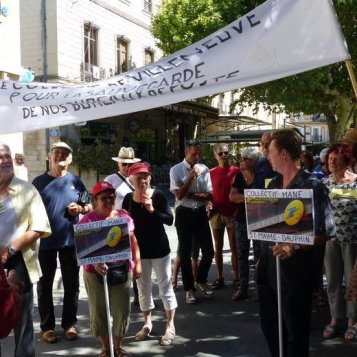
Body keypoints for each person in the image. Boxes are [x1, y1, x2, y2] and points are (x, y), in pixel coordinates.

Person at [256, 129, 335, 357]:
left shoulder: (313, 185)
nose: (266, 155)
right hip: (268, 272)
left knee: (295, 333)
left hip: (296, 275)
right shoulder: (273, 186)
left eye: (269, 150)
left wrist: (294, 246)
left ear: (283, 154)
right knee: (270, 328)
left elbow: (326, 231)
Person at [32, 141, 91, 343]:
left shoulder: (76, 181)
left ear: (70, 159)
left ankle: (69, 325)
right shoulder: (38, 182)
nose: (60, 156)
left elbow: (88, 204)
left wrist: (81, 209)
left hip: (70, 240)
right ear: (50, 156)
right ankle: (47, 327)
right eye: (57, 153)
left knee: (71, 285)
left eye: (65, 153)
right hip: (44, 241)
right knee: (44, 285)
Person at [0, 142, 51, 357]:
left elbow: (40, 226)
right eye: (0, 157)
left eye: (7, 156)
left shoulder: (27, 190)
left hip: (18, 262)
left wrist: (10, 249)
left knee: (22, 325)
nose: (5, 161)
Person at [80, 180, 141, 357]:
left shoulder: (124, 217)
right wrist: (94, 262)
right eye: (104, 197)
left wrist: (138, 263)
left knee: (121, 310)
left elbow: (133, 241)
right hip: (94, 274)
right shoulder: (87, 220)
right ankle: (106, 349)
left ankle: (118, 347)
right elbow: (83, 248)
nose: (109, 200)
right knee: (99, 311)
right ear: (95, 199)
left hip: (122, 269)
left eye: (112, 197)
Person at [123, 162, 177, 346]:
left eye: (145, 177)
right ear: (131, 181)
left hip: (160, 250)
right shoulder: (129, 199)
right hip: (140, 253)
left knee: (165, 287)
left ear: (150, 178)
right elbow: (124, 225)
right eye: (138, 178)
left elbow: (170, 220)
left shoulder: (159, 196)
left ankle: (170, 325)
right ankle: (147, 323)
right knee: (143, 290)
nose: (142, 181)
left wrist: (153, 210)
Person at [170, 139, 214, 304]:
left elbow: (209, 195)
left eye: (199, 154)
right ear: (186, 153)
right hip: (184, 214)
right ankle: (189, 289)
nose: (197, 157)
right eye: (194, 154)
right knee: (186, 254)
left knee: (209, 251)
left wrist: (189, 192)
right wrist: (190, 179)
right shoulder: (176, 170)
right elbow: (179, 196)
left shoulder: (205, 169)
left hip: (200, 212)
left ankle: (201, 279)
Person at [321, 143, 357, 340]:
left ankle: (353, 321)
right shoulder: (325, 184)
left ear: (347, 160)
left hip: (353, 239)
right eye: (330, 159)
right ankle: (335, 319)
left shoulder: (356, 183)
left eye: (336, 159)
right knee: (333, 281)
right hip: (331, 240)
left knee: (353, 282)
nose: (332, 162)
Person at [105, 146, 141, 305]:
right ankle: (116, 297)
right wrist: (116, 212)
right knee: (118, 261)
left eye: (129, 164)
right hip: (116, 225)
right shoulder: (110, 180)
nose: (127, 167)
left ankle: (140, 295)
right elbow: (102, 201)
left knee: (137, 259)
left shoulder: (138, 177)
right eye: (124, 164)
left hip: (137, 224)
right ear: (118, 164)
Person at [229, 147, 260, 301]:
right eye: (240, 159)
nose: (240, 162)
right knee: (242, 254)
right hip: (241, 219)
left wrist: (244, 196)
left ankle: (259, 289)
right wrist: (253, 197)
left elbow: (265, 198)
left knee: (259, 256)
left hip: (259, 220)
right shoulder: (239, 177)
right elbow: (232, 197)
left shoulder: (261, 176)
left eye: (243, 159)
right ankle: (243, 287)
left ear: (252, 161)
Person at [208, 144, 240, 290]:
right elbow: (207, 192)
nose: (224, 156)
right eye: (220, 154)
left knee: (234, 247)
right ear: (215, 156)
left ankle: (236, 278)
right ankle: (220, 277)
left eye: (226, 153)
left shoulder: (236, 171)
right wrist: (208, 205)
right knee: (218, 247)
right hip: (216, 214)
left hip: (232, 213)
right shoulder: (211, 172)